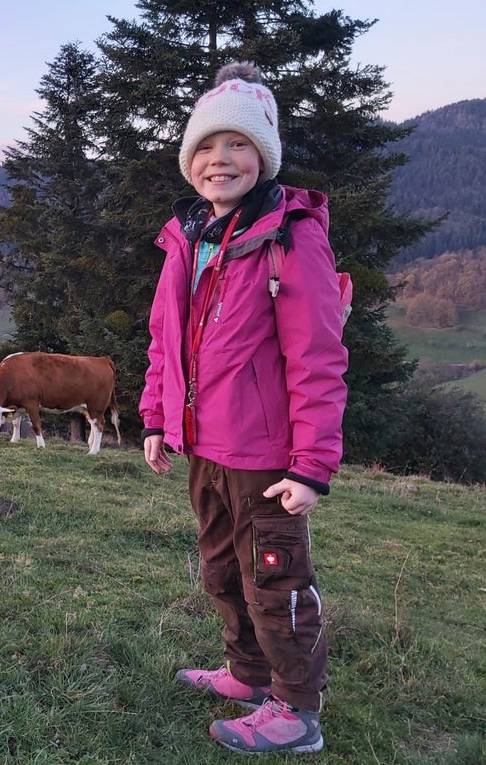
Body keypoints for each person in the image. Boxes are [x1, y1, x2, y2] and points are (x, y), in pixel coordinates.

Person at [139, 61, 348, 755]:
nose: (219, 159)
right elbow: (164, 339)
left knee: (275, 581)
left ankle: (296, 711)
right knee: (222, 569)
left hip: (266, 455)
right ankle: (249, 675)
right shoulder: (189, 237)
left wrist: (312, 464)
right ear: (188, 159)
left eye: (238, 144)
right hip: (203, 444)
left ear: (265, 155)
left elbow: (317, 356)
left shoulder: (291, 235)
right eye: (205, 146)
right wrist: (156, 417)